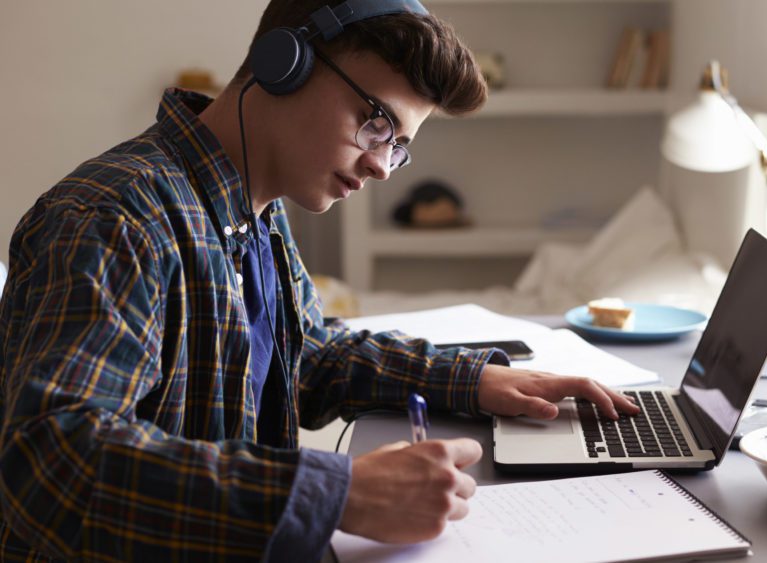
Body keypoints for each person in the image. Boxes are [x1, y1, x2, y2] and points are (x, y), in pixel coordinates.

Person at [0, 1, 640, 561]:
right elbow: (49, 463)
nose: (384, 167)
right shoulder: (118, 220)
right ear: (285, 63)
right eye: (376, 124)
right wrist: (337, 494)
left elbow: (305, 356)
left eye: (398, 145)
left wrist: (476, 379)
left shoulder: (253, 207)